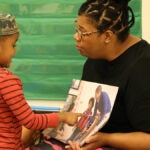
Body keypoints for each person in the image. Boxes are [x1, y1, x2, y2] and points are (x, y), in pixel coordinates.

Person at [67, 0, 150, 149]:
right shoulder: (96, 57)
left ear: (107, 36)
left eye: (82, 32)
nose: (76, 36)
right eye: (76, 29)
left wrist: (107, 139)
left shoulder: (142, 68)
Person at [0, 14, 82, 150]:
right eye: (13, 45)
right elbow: (31, 121)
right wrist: (63, 116)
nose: (15, 51)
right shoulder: (7, 81)